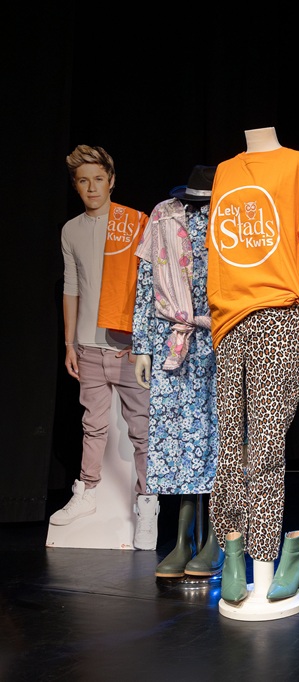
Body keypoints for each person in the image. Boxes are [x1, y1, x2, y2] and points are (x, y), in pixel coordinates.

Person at [206, 127, 299, 619]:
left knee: (266, 446)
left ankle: (273, 557)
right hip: (226, 318)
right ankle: (232, 548)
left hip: (280, 312)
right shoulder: (224, 171)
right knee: (229, 445)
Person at [53, 144, 158, 551]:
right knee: (92, 424)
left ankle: (147, 505)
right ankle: (88, 492)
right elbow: (71, 287)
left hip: (128, 347)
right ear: (76, 186)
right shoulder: (70, 230)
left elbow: (150, 285)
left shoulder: (135, 223)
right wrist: (69, 342)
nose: (92, 187)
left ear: (111, 181)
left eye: (99, 179)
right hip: (88, 345)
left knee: (142, 430)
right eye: (83, 181)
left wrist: (145, 343)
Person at [132, 165, 222, 580]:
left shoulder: (228, 211)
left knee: (220, 435)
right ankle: (183, 539)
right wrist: (143, 347)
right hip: (175, 341)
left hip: (221, 335)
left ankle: (218, 539)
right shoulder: (163, 214)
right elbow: (146, 282)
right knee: (178, 438)